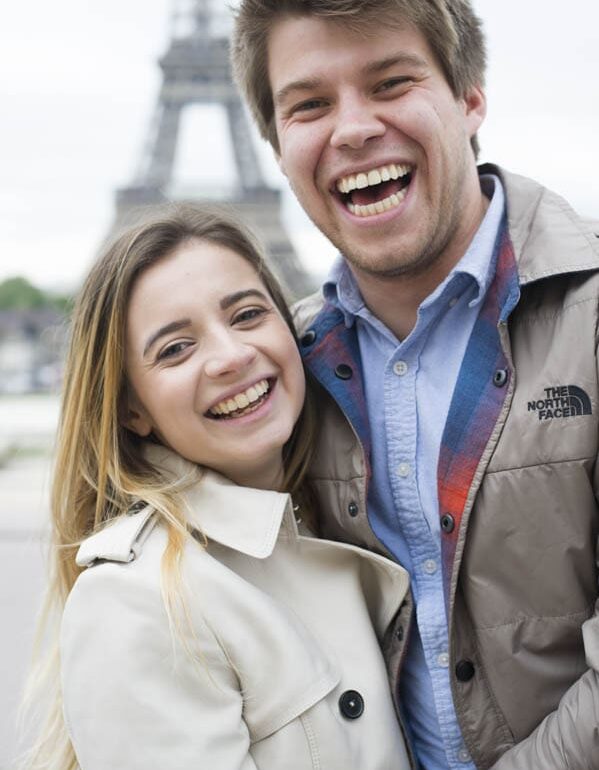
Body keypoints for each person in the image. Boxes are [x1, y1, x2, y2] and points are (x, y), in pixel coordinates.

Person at [231, 2, 599, 768]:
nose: (353, 128)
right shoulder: (279, 373)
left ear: (469, 99)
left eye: (390, 83)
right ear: (275, 145)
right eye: (309, 104)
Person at [22, 205, 413, 770]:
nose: (230, 357)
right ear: (132, 409)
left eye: (248, 314)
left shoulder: (330, 527)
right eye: (175, 348)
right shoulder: (132, 601)